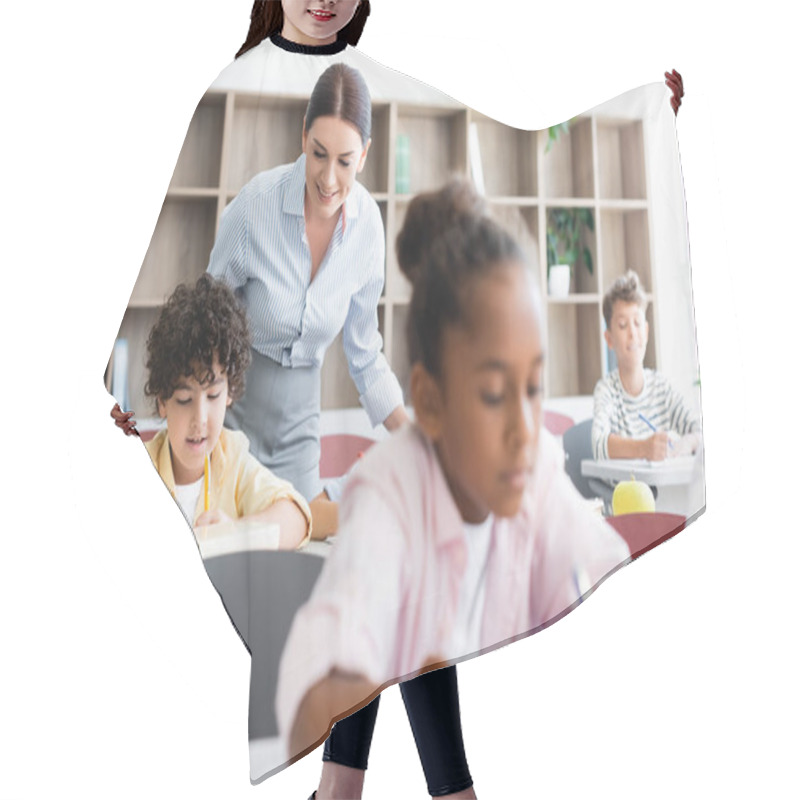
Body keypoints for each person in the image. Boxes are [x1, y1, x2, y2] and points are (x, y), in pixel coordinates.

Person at [276, 178, 631, 779]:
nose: (523, 424)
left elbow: (605, 562)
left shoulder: (536, 462)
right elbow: (334, 627)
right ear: (431, 401)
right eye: (494, 393)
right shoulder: (390, 486)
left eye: (534, 385)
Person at [143, 274, 312, 545]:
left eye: (212, 396)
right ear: (163, 401)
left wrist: (237, 532)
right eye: (185, 399)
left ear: (230, 393)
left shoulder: (232, 459)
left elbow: (297, 518)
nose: (200, 419)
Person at [592, 270, 702, 461]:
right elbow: (599, 445)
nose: (633, 333)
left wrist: (686, 444)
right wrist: (643, 448)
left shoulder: (662, 387)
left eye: (637, 322)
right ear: (609, 339)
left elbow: (700, 431)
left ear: (647, 330)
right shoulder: (606, 391)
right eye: (623, 325)